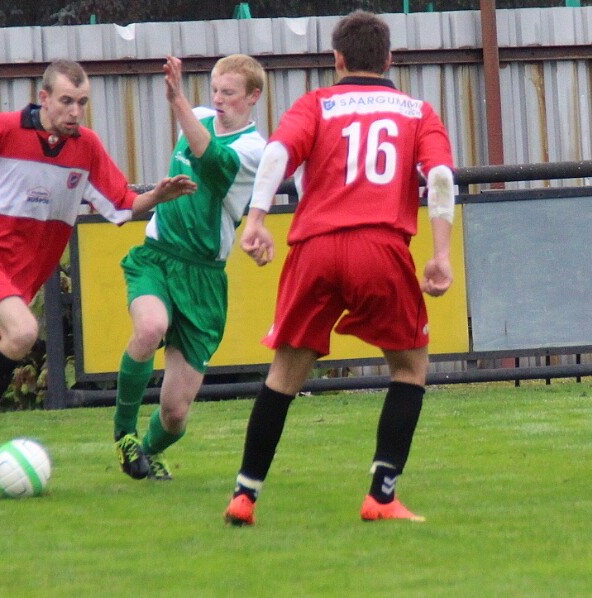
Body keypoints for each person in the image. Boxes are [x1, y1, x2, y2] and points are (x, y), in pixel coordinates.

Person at [0, 59, 197, 496]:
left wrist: (157, 195)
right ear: (44, 98)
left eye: (82, 102)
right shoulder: (2, 129)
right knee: (23, 330)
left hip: (21, 275)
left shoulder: (86, 147)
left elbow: (119, 203)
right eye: (66, 101)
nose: (75, 111)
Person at [222, 10, 456, 525]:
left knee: (284, 373)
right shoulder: (417, 111)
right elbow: (439, 175)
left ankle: (244, 495)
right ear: (389, 59)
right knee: (410, 368)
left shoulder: (317, 104)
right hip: (379, 247)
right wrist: (440, 254)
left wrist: (257, 218)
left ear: (338, 59)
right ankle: (382, 495)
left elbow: (279, 152)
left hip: (316, 249)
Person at [112, 54, 267, 481]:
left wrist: (177, 100)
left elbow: (213, 160)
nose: (218, 100)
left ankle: (146, 450)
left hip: (204, 279)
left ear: (253, 97)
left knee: (176, 412)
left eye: (229, 93)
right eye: (214, 90)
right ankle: (124, 434)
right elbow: (197, 143)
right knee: (148, 328)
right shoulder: (195, 115)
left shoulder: (256, 150)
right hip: (160, 257)